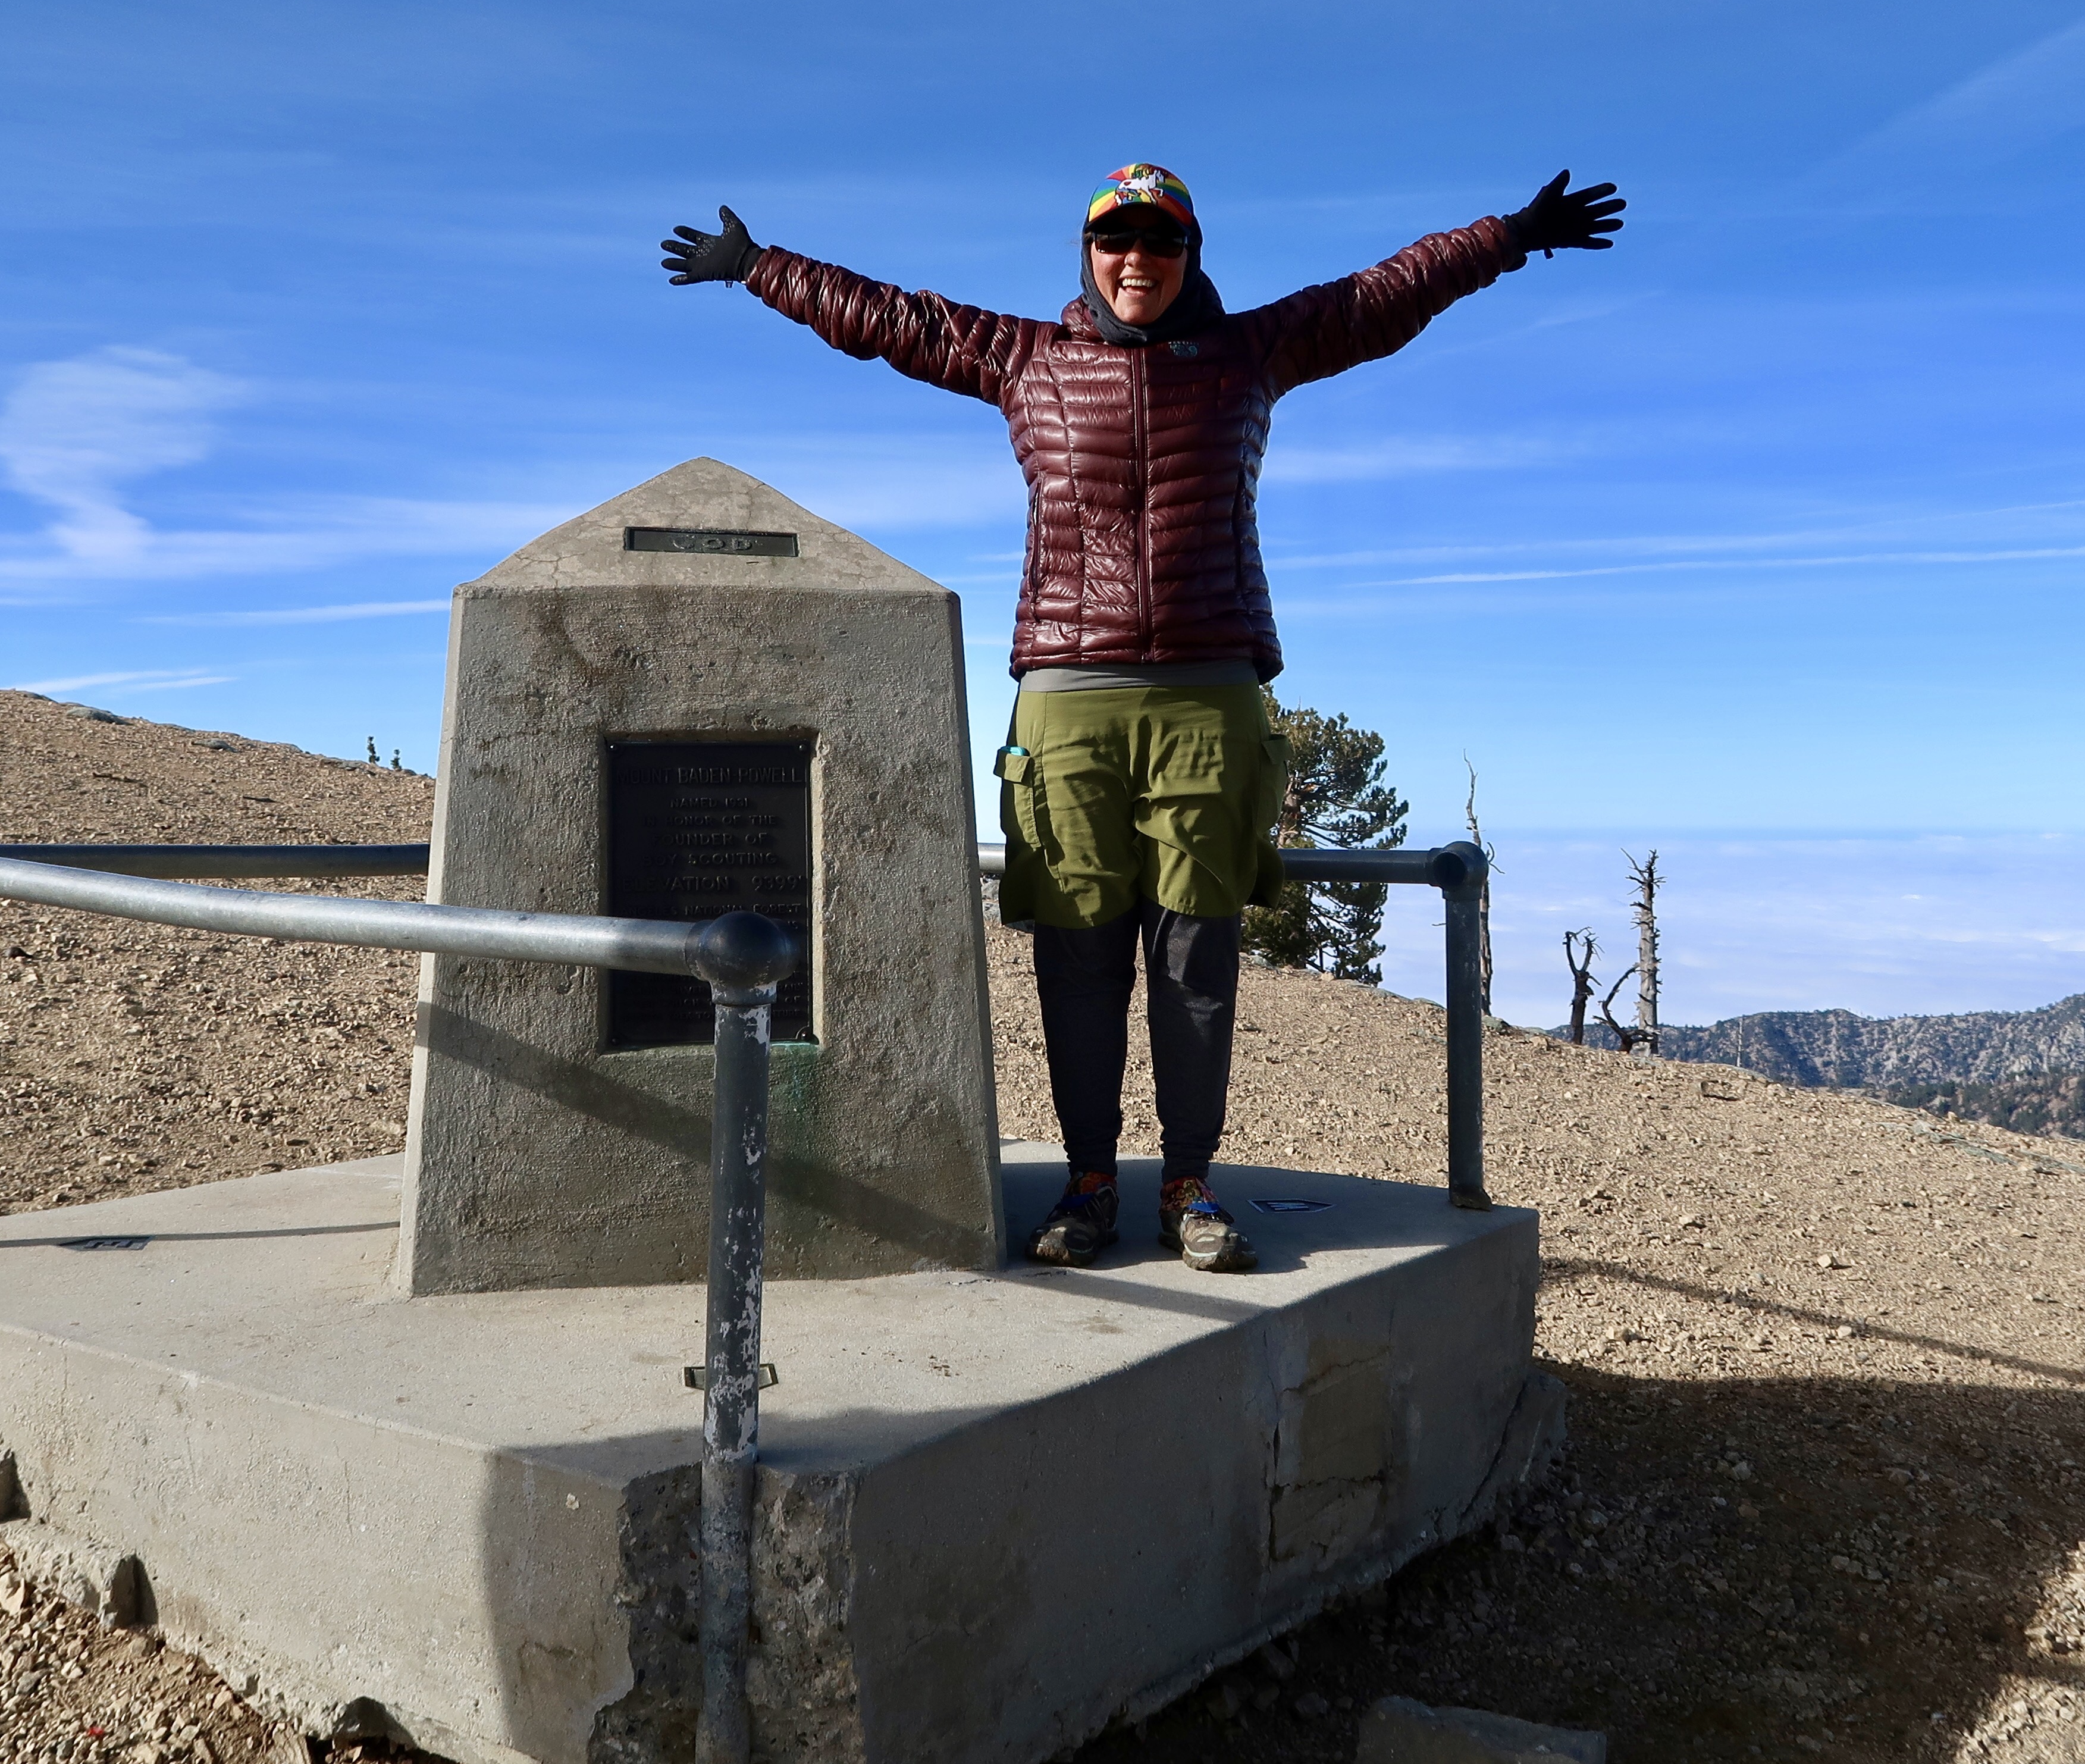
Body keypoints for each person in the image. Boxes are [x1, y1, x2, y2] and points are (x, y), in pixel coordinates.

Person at [660, 162, 1623, 1273]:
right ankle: (1085, 1182)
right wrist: (760, 267)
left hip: (1210, 700)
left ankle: (1189, 1185)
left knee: (1195, 959)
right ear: (1088, 255)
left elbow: (1380, 296)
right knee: (1077, 956)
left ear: (1189, 258)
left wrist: (1507, 237)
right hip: (1068, 697)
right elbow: (896, 321)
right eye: (1116, 244)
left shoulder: (1252, 353)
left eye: (1159, 246)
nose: (1136, 264)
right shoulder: (1029, 360)